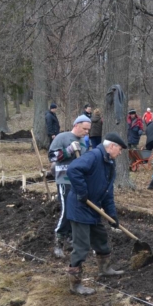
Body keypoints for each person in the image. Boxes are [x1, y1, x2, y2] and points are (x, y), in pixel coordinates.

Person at [65, 132, 128, 295]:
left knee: (100, 238)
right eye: (119, 149)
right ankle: (75, 284)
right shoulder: (94, 156)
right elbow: (73, 169)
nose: (120, 153)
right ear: (111, 146)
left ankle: (105, 269)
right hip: (80, 207)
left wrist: (112, 216)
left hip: (93, 208)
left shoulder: (109, 163)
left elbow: (108, 193)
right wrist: (82, 192)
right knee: (82, 246)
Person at [48, 115, 92, 258]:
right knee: (67, 210)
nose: (87, 132)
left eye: (88, 130)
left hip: (78, 182)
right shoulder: (62, 137)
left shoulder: (84, 142)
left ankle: (72, 239)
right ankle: (58, 242)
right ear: (76, 125)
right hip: (64, 180)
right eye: (85, 129)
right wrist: (68, 150)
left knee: (77, 210)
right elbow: (52, 157)